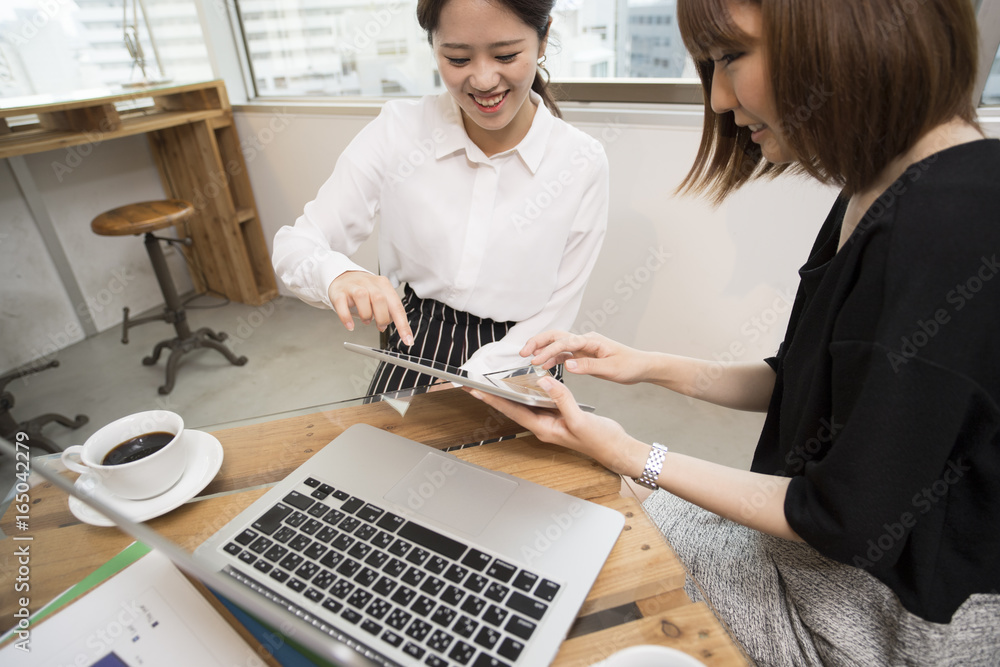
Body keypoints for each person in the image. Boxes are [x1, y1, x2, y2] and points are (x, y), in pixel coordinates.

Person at [468, 0, 1000, 663]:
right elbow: (803, 377)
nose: (718, 98)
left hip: (871, 621)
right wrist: (647, 364)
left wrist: (635, 454)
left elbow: (841, 517)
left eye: (731, 57)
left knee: (558, 526)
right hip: (809, 554)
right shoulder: (880, 186)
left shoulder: (947, 230)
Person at [271, 0, 608, 397]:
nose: (483, 80)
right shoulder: (399, 131)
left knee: (508, 460)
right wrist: (338, 275)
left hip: (524, 355)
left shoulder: (581, 161)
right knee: (382, 452)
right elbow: (296, 246)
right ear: (434, 47)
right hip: (417, 346)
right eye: (458, 58)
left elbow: (557, 311)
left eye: (506, 55)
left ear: (544, 37)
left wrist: (474, 378)